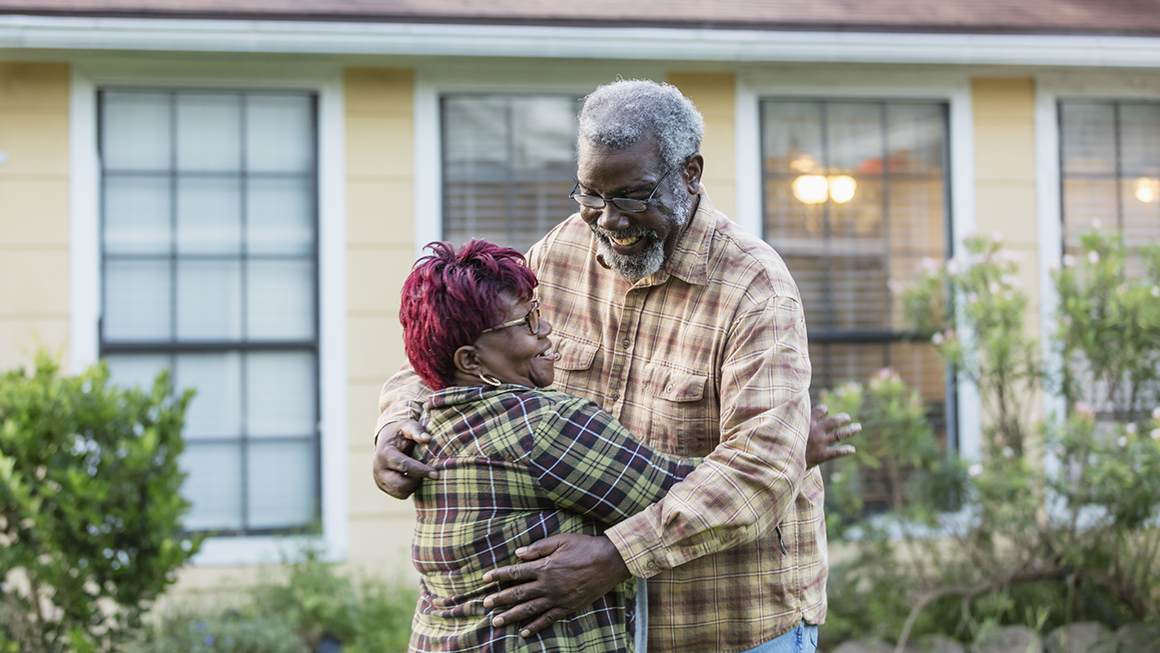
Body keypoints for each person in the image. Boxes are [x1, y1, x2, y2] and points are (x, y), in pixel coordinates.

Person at [375, 79, 860, 653]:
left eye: (632, 195)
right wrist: (396, 425)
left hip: (729, 624)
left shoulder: (755, 288)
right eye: (588, 194)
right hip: (600, 631)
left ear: (690, 173)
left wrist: (617, 556)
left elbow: (761, 469)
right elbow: (453, 345)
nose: (609, 220)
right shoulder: (560, 253)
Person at [401, 239, 703, 652]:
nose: (544, 329)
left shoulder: (424, 426)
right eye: (525, 323)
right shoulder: (541, 425)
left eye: (537, 312)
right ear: (470, 360)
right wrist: (790, 452)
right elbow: (692, 494)